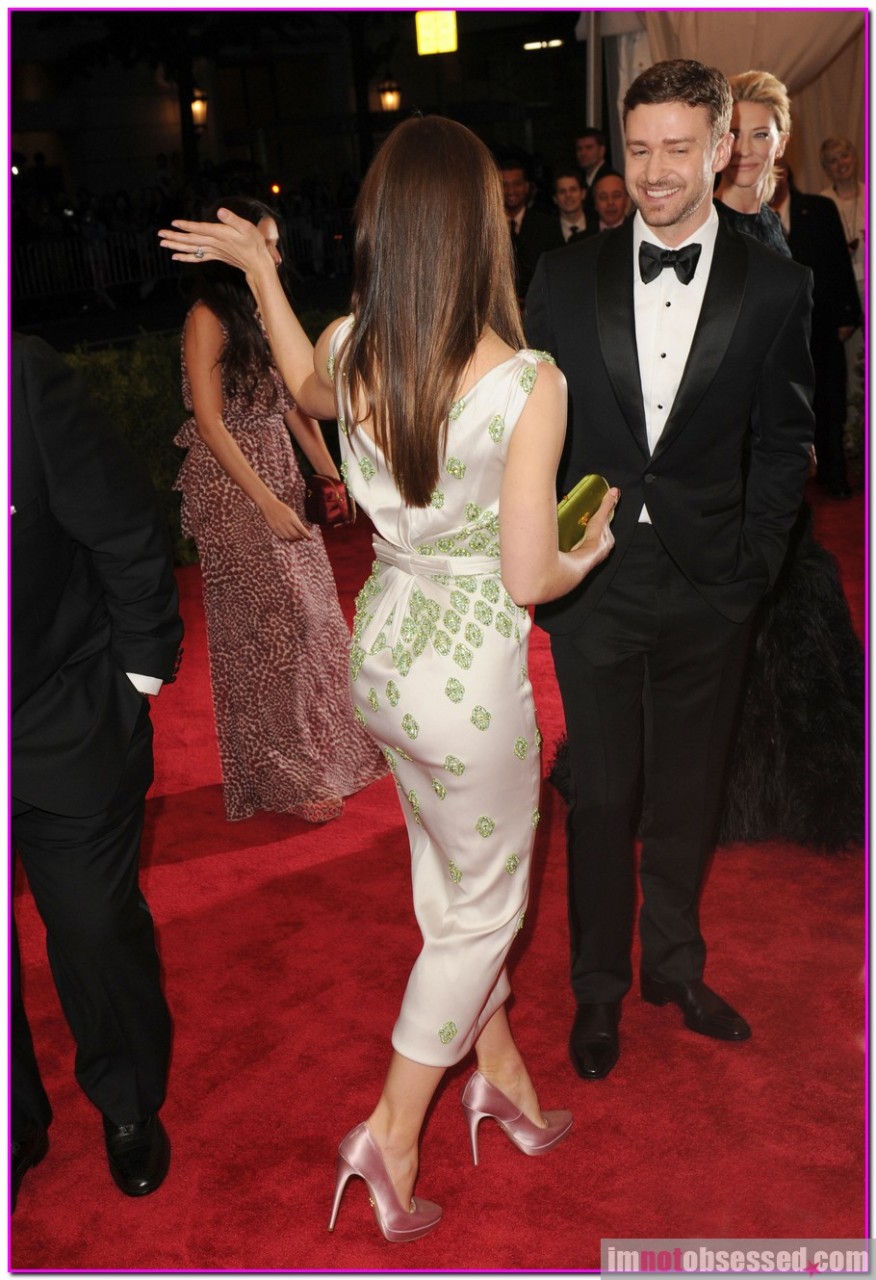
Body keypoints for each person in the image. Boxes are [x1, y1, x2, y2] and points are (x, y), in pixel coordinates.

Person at [159, 115, 617, 1241]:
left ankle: (498, 1075)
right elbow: (531, 576)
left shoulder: (356, 340)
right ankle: (392, 1129)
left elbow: (306, 387)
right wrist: (589, 546)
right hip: (468, 679)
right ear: (480, 229)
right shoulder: (528, 381)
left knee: (446, 880)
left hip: (385, 654)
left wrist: (263, 271)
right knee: (486, 908)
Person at [525, 59, 814, 1081]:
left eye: (677, 149)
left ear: (722, 149)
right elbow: (524, 431)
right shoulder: (563, 276)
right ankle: (599, 987)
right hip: (595, 578)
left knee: (691, 792)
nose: (652, 171)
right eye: (639, 147)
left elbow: (785, 440)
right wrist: (540, 553)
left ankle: (675, 966)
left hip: (711, 581)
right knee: (603, 797)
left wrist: (753, 568)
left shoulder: (776, 286)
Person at [11, 334, 184, 1207]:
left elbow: (125, 526)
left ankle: (127, 1101)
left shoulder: (20, 376)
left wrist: (137, 677)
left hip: (60, 714)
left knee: (95, 929)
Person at [173, 195, 386, 822]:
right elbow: (210, 423)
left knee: (314, 617)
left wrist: (331, 472)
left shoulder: (262, 307)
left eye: (273, 242)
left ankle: (324, 751)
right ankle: (288, 775)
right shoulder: (207, 316)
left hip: (277, 470)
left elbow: (295, 399)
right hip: (230, 486)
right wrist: (264, 501)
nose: (276, 253)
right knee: (273, 630)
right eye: (264, 243)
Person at [770, 160, 861, 497]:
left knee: (829, 401)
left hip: (820, 324)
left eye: (778, 169)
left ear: (788, 174)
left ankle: (834, 474)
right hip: (772, 335)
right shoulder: (745, 217)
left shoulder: (819, 208)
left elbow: (839, 262)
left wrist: (847, 314)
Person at [501, 160, 564, 302]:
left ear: (527, 187)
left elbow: (557, 269)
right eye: (504, 185)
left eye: (517, 184)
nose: (511, 191)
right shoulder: (488, 228)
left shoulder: (547, 225)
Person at [552, 169, 589, 241]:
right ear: (555, 199)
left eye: (573, 189)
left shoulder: (598, 228)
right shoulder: (546, 234)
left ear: (583, 193)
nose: (568, 195)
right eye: (562, 191)